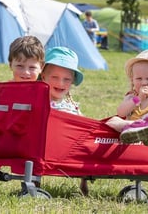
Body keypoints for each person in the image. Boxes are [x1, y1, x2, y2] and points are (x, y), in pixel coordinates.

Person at [39, 46, 88, 194]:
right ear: (43, 77)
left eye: (66, 79)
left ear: (72, 81)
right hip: (47, 147)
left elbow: (84, 126)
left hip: (72, 147)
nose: (60, 83)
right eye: (55, 77)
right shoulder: (40, 102)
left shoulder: (71, 105)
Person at [106, 49, 148, 146]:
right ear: (132, 80)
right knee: (112, 120)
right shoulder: (131, 97)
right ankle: (136, 129)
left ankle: (146, 130)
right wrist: (138, 99)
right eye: (139, 78)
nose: (144, 82)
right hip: (129, 128)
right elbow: (121, 112)